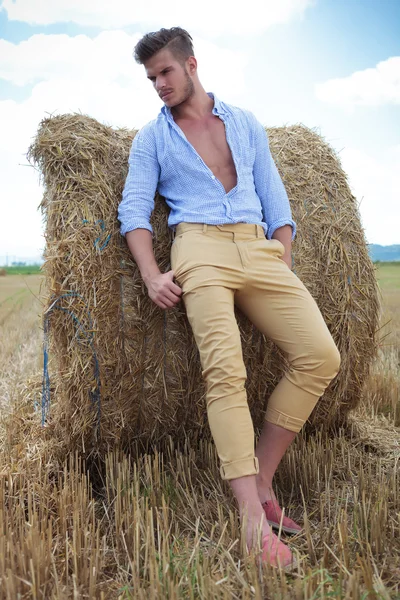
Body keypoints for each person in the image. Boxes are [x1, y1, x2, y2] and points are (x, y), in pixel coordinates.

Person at [118, 26, 341, 570]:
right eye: (151, 78)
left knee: (321, 356)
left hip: (255, 246)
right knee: (226, 372)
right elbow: (133, 211)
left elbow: (276, 199)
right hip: (197, 247)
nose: (159, 85)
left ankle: (262, 477)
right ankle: (249, 520)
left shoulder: (244, 123)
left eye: (165, 72)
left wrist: (280, 251)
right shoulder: (152, 138)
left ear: (191, 64)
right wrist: (151, 275)